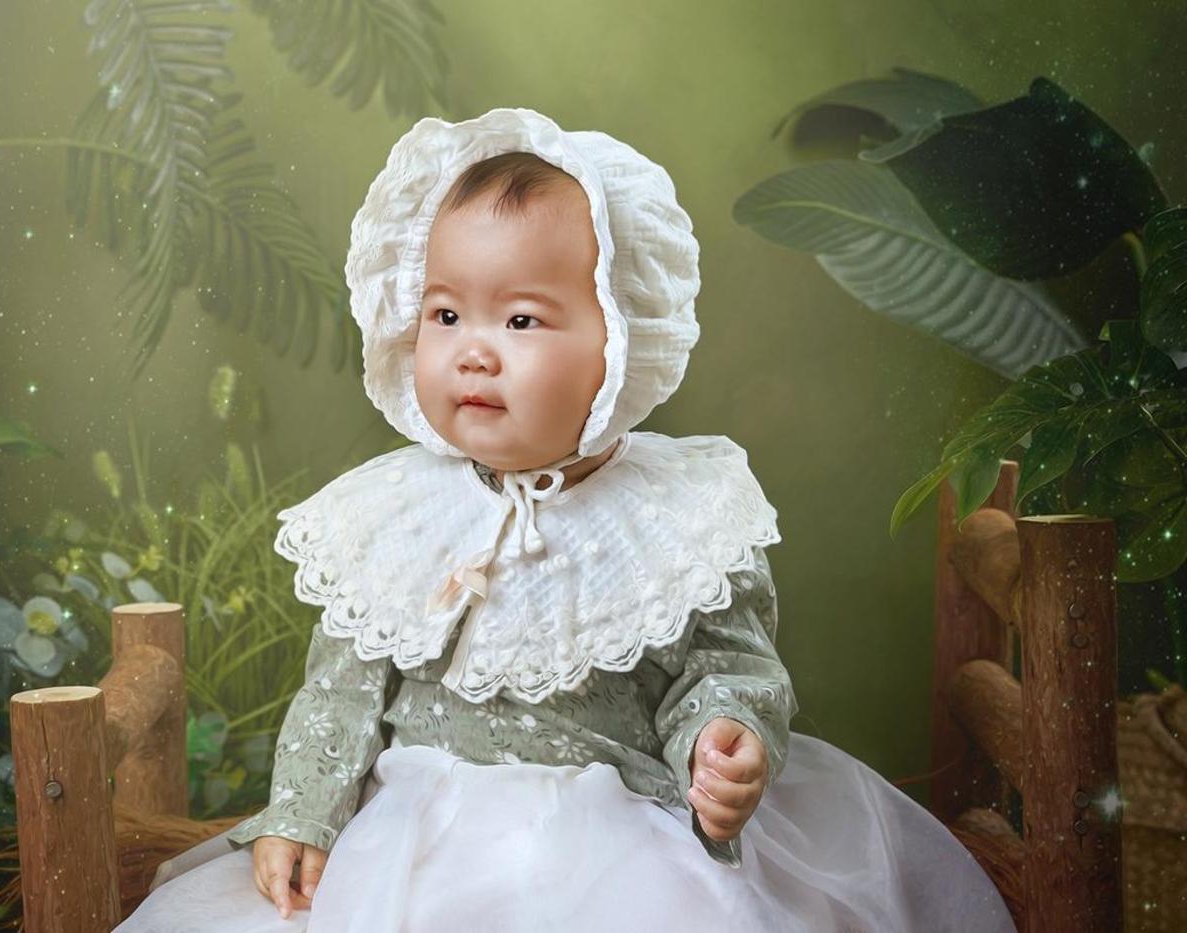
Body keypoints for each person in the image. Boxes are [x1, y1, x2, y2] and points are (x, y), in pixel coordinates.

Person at [115, 108, 1016, 932]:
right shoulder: (399, 513)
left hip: (620, 831)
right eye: (445, 312)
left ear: (620, 343)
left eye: (520, 319)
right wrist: (304, 813)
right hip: (418, 834)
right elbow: (340, 693)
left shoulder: (676, 516)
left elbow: (727, 663)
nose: (473, 349)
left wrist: (723, 740)